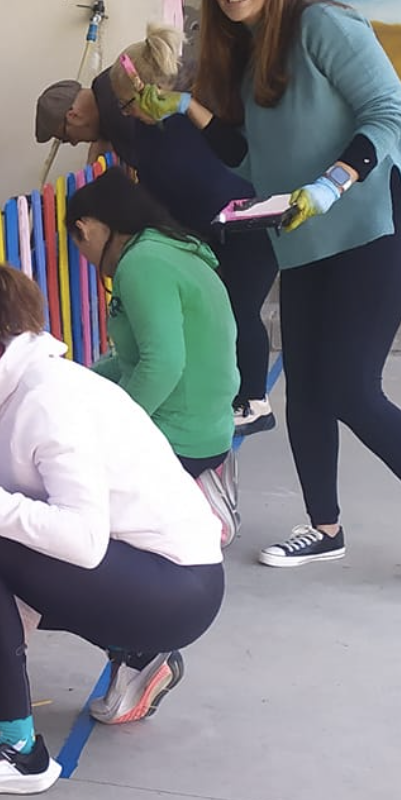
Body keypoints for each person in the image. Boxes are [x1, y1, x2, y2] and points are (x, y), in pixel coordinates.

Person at [136, 0, 401, 589]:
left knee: (352, 387)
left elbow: (389, 110)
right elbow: (245, 154)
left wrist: (333, 181)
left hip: (372, 226)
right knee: (307, 394)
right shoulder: (240, 53)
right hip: (301, 236)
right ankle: (324, 530)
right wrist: (182, 108)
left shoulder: (322, 26)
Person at [0, 266, 227, 795]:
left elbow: (79, 541)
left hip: (176, 589)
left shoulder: (44, 400)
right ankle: (137, 660)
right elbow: (33, 527)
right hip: (157, 575)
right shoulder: (4, 392)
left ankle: (16, 750)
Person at [34, 25, 281, 436]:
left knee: (241, 309)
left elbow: (222, 157)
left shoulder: (180, 123)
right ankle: (236, 395)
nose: (125, 113)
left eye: (128, 105)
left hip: (244, 222)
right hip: (215, 229)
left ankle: (255, 401)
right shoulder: (148, 133)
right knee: (225, 311)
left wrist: (183, 106)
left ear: (151, 94)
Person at [66, 169, 241, 543]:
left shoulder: (142, 264)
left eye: (78, 244)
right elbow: (131, 359)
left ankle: (188, 501)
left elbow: (162, 365)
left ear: (88, 228)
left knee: (65, 474)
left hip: (181, 438)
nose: (84, 256)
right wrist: (74, 383)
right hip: (207, 427)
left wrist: (115, 427)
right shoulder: (164, 247)